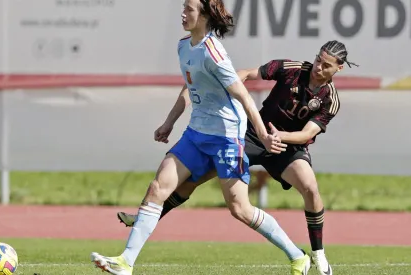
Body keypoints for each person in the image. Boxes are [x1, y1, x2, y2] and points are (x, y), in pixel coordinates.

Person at [91, 0, 312, 274]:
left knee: (240, 208)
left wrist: (264, 136)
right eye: (183, 7)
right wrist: (169, 122)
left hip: (227, 138)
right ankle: (126, 262)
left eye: (190, 9)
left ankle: (297, 256)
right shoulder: (184, 46)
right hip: (196, 134)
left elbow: (242, 95)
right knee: (158, 187)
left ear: (205, 15)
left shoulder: (214, 53)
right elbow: (190, 85)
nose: (183, 13)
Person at [116, 40, 358, 275]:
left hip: (288, 146)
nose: (318, 67)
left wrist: (277, 136)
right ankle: (144, 219)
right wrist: (229, 86)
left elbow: (306, 133)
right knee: (191, 180)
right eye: (318, 60)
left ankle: (318, 253)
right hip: (252, 135)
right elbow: (248, 74)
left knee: (310, 188)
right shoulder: (292, 69)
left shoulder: (330, 100)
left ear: (339, 68)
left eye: (326, 65)